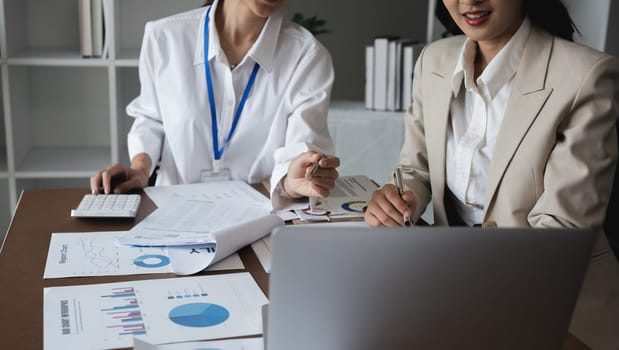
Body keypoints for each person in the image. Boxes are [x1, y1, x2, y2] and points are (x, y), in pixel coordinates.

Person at [364, 0, 619, 348]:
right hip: (451, 283)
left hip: (559, 303)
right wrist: (398, 197)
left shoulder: (587, 74)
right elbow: (414, 168)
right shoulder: (434, 60)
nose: (469, 2)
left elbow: (562, 232)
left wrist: (463, 290)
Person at [90, 0, 339, 209]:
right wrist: (140, 169)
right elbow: (151, 118)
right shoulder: (164, 38)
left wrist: (293, 179)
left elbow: (300, 151)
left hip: (259, 215)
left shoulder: (308, 57)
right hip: (172, 212)